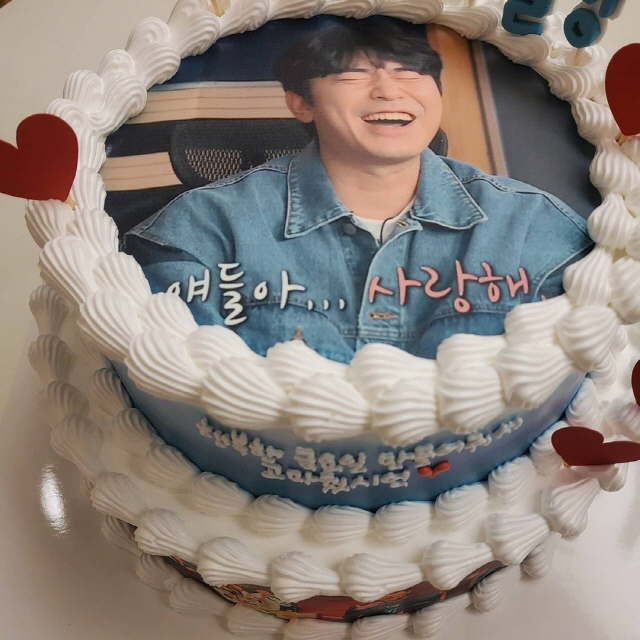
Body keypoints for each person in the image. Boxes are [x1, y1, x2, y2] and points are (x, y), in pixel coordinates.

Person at [122, 21, 593, 363]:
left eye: (409, 73)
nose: (388, 90)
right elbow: (179, 379)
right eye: (352, 75)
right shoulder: (203, 230)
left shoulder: (534, 226)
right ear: (300, 104)